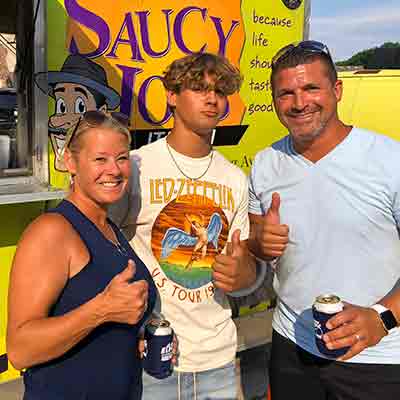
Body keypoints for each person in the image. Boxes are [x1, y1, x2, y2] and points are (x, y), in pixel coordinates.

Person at [248, 40, 400, 400]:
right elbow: (257, 248)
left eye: (310, 88)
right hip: (291, 349)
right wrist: (258, 244)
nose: (299, 103)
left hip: (378, 358)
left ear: (337, 90)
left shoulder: (389, 160)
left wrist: (383, 317)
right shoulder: (265, 163)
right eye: (286, 93)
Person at [109, 52, 258, 399]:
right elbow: (102, 248)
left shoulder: (235, 179)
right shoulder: (137, 167)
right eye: (198, 88)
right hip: (153, 358)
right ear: (172, 95)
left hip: (217, 358)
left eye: (220, 91)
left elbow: (246, 271)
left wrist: (244, 274)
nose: (211, 99)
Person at [7, 111, 157, 400]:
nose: (114, 170)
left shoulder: (108, 228)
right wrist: (102, 310)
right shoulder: (52, 231)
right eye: (100, 159)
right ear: (70, 162)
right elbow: (20, 350)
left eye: (122, 158)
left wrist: (132, 337)